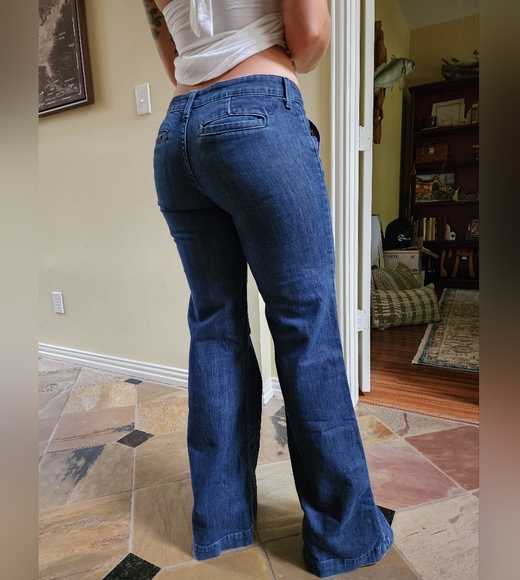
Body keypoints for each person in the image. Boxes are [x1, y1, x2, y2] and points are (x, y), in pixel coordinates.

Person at [142, 1, 394, 577]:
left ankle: (221, 523)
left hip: (177, 136)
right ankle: (343, 538)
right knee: (306, 329)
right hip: (258, 112)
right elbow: (309, 36)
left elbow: (173, 56)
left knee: (214, 327)